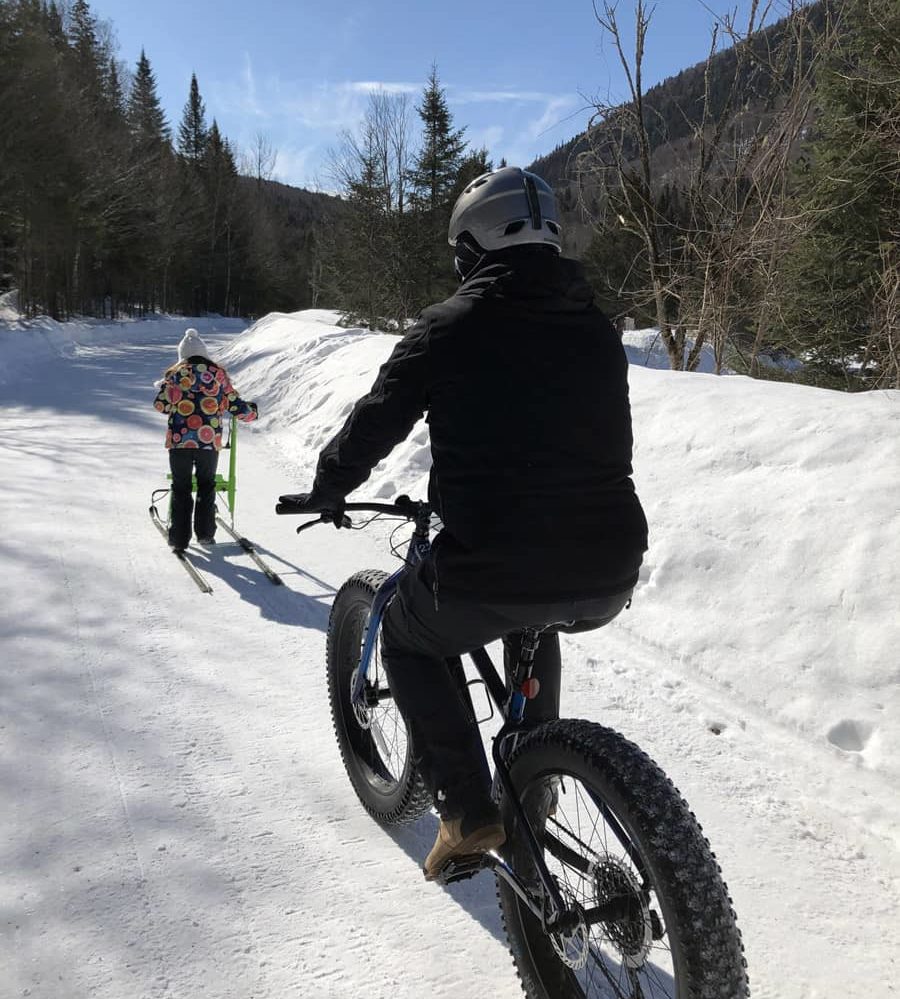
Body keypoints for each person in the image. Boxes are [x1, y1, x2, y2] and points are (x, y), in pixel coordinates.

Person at [281, 167, 648, 880]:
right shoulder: (599, 330)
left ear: (472, 248)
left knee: (407, 634)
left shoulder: (448, 327)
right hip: (609, 565)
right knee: (532, 615)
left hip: (492, 565)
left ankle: (465, 809)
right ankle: (535, 781)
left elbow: (375, 421)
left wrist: (329, 487)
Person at [154, 328, 258, 552]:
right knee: (206, 485)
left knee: (181, 487)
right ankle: (205, 534)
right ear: (204, 353)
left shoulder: (175, 375)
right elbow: (234, 404)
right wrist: (251, 413)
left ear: (183, 354)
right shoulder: (218, 375)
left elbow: (161, 405)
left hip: (179, 441)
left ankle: (179, 539)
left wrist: (171, 394)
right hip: (209, 442)